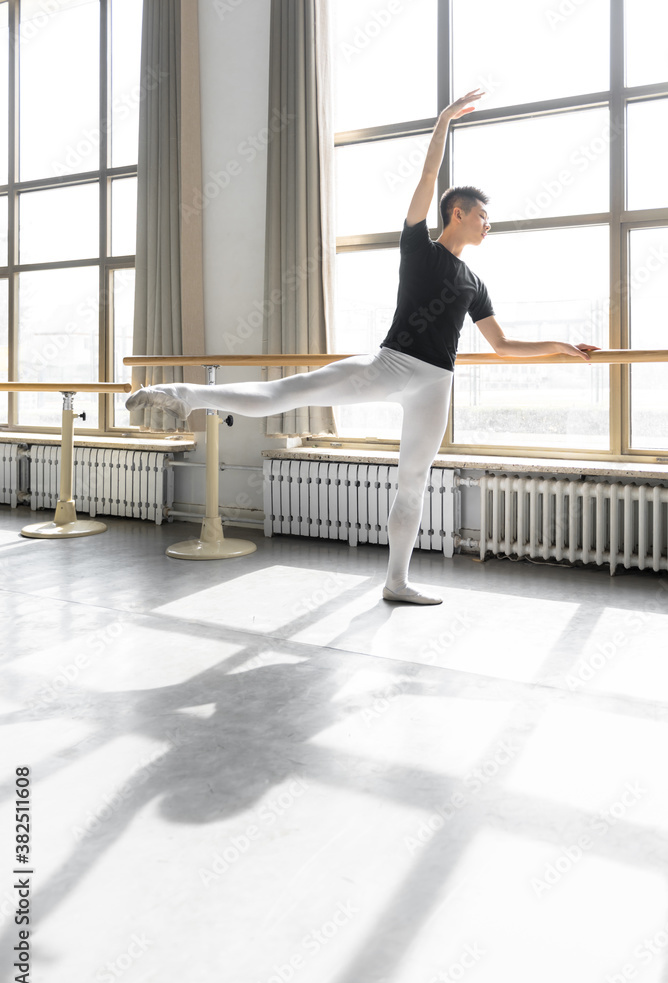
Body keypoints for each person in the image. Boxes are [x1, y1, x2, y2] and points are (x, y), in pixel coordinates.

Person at [126, 88, 601, 605]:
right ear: (458, 213)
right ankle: (182, 394)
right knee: (290, 390)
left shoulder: (474, 282)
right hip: (391, 364)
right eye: (484, 216)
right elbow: (426, 178)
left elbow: (503, 344)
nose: (490, 224)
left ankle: (396, 582)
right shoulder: (418, 246)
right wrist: (443, 120)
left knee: (413, 482)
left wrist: (560, 346)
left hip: (435, 385)